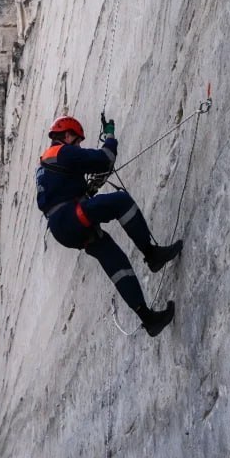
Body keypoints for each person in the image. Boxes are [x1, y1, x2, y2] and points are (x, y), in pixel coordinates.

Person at [35, 115, 182, 336]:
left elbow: (62, 191)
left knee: (114, 260)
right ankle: (152, 254)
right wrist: (110, 136)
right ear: (67, 135)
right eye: (78, 141)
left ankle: (149, 319)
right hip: (70, 217)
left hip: (62, 227)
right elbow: (105, 159)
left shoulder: (46, 163)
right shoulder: (62, 152)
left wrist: (87, 191)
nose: (78, 145)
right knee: (120, 202)